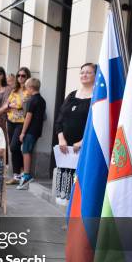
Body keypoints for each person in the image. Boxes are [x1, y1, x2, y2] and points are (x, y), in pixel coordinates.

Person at [54, 63, 95, 203]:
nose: (84, 75)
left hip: (85, 148)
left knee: (80, 187)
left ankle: (78, 221)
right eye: (82, 72)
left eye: (88, 72)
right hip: (66, 149)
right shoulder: (71, 95)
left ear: (95, 75)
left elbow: (96, 124)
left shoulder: (97, 97)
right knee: (66, 191)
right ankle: (68, 220)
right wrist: (61, 139)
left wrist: (83, 142)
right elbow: (60, 119)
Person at [17, 77, 46, 190]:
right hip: (37, 130)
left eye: (26, 87)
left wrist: (23, 132)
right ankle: (26, 174)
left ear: (30, 87)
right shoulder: (41, 100)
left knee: (26, 151)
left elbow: (28, 117)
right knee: (27, 151)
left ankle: (27, 175)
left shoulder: (32, 100)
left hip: (30, 130)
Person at [6, 67, 31, 184]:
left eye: (23, 76)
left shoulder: (28, 90)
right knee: (13, 148)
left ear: (27, 77)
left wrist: (14, 105)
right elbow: (7, 103)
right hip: (11, 120)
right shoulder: (14, 90)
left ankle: (21, 172)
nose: (20, 78)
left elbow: (22, 105)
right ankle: (16, 175)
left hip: (21, 122)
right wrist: (13, 105)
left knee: (14, 146)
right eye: (19, 75)